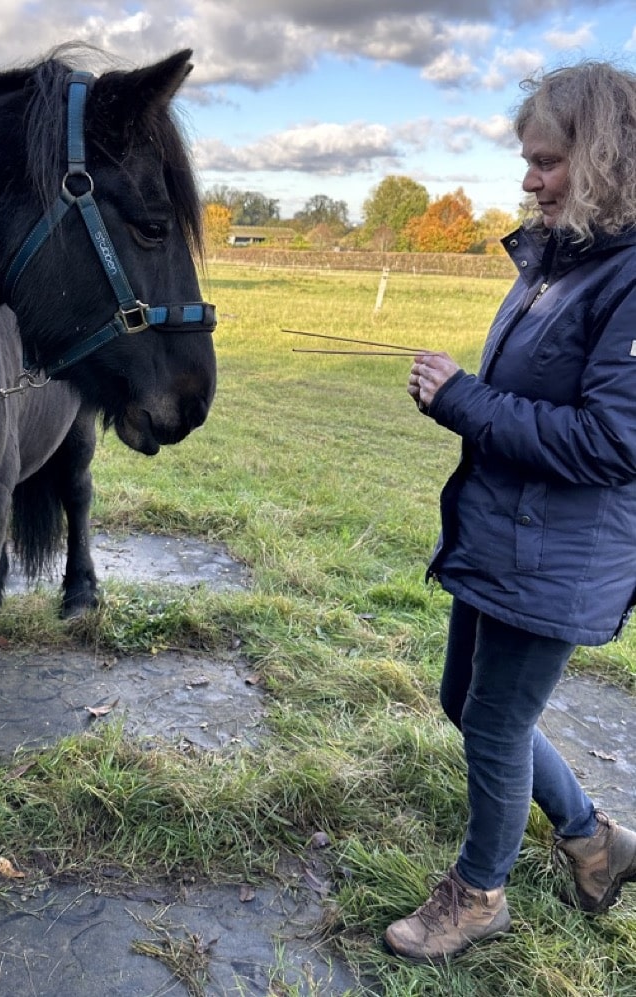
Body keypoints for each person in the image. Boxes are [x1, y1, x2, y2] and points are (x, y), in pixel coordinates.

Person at [388, 60, 636, 962]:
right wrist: (459, 390)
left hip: (563, 550)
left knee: (493, 721)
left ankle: (478, 894)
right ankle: (594, 841)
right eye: (527, 160)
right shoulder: (560, 261)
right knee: (468, 700)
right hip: (506, 530)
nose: (527, 180)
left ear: (607, 158)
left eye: (547, 162)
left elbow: (614, 442)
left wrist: (462, 399)